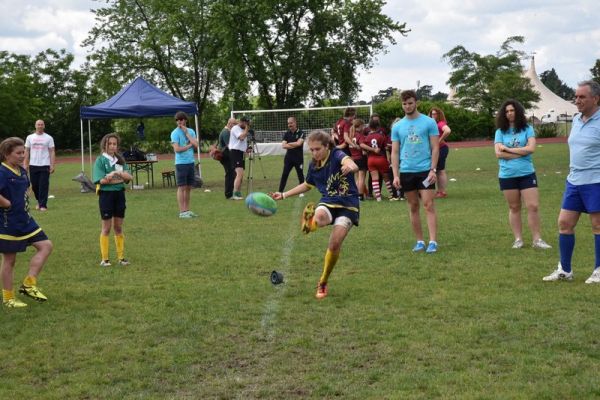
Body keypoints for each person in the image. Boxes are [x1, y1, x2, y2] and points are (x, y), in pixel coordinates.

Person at [271, 130, 359, 299]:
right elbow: (307, 184)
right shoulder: (314, 165)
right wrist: (283, 195)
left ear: (327, 146)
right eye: (311, 150)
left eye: (317, 149)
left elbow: (351, 163)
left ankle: (323, 281)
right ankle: (310, 224)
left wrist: (351, 166)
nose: (314, 153)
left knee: (334, 244)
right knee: (318, 216)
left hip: (348, 204)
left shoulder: (337, 154)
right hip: (328, 201)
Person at [543, 80, 600, 283]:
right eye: (576, 97)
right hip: (574, 181)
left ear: (596, 98)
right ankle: (565, 270)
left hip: (596, 181)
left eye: (582, 97)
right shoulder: (576, 120)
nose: (577, 100)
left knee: (598, 225)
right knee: (564, 223)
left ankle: (599, 270)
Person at [0, 137, 53, 308]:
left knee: (46, 246)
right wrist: (6, 203)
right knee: (9, 260)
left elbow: (26, 187)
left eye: (23, 152)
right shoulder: (2, 171)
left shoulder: (22, 170)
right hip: (9, 223)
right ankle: (8, 298)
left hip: (26, 220)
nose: (23, 156)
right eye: (18, 153)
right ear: (6, 154)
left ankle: (29, 285)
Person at [494, 99, 552, 250]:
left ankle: (537, 240)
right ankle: (518, 239)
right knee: (514, 207)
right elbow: (499, 155)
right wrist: (521, 151)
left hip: (526, 173)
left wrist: (508, 149)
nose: (509, 113)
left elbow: (531, 149)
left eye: (512, 110)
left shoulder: (527, 129)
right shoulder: (500, 132)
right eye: (506, 111)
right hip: (507, 175)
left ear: (518, 111)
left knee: (533, 206)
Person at [391, 90, 440, 253]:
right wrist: (395, 175)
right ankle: (420, 241)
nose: (407, 106)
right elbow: (395, 152)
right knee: (413, 206)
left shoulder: (429, 122)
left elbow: (435, 147)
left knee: (428, 204)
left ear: (416, 103)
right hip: (406, 171)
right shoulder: (397, 127)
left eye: (410, 103)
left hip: (425, 170)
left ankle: (433, 241)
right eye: (404, 103)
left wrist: (433, 169)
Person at [92, 133, 133, 267]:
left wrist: (117, 174)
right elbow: (101, 180)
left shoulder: (120, 160)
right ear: (105, 145)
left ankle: (121, 258)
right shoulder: (100, 160)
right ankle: (105, 259)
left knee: (118, 227)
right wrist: (118, 178)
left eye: (115, 144)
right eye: (110, 143)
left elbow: (129, 177)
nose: (112, 146)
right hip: (106, 196)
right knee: (106, 228)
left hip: (119, 195)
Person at [170, 111, 199, 218]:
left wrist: (187, 133)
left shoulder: (191, 131)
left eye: (181, 119)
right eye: (177, 120)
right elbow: (177, 149)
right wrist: (188, 146)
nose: (179, 122)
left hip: (190, 162)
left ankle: (187, 210)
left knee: (188, 188)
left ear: (185, 120)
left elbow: (196, 145)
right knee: (181, 187)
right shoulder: (174, 133)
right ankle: (182, 212)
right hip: (181, 163)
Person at [24, 119, 55, 211]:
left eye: (42, 124)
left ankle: (43, 205)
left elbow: (52, 151)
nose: (40, 126)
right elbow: (26, 151)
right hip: (33, 165)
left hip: (45, 164)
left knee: (43, 185)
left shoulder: (49, 138)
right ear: (35, 126)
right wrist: (25, 163)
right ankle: (39, 201)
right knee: (35, 185)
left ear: (44, 126)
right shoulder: (30, 137)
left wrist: (52, 165)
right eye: (38, 124)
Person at [361, 119, 395, 202]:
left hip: (371, 159)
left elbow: (363, 148)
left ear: (370, 127)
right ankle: (392, 194)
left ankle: (378, 197)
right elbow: (385, 147)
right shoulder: (381, 136)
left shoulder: (367, 137)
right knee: (386, 178)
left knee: (374, 178)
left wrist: (370, 150)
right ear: (378, 127)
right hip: (381, 158)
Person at [278, 116, 306, 195]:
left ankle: (301, 192)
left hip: (298, 158)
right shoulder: (287, 133)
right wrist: (295, 144)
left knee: (300, 175)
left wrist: (289, 144)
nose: (289, 125)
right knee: (284, 174)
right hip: (288, 158)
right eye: (288, 123)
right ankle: (280, 191)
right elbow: (283, 146)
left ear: (295, 123)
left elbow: (299, 143)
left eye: (291, 123)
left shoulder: (301, 132)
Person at [429, 107, 452, 198]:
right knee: (437, 170)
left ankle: (441, 191)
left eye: (435, 114)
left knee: (440, 170)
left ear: (439, 115)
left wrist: (439, 141)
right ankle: (438, 191)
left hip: (441, 149)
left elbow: (448, 130)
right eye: (431, 114)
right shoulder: (432, 124)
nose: (433, 116)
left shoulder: (440, 123)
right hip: (437, 149)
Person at [228, 116, 251, 200]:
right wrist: (247, 128)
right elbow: (241, 137)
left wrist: (246, 149)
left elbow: (243, 142)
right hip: (235, 152)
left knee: (241, 174)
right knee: (239, 173)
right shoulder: (235, 128)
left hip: (240, 152)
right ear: (241, 122)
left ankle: (238, 192)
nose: (246, 125)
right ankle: (235, 193)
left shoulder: (243, 129)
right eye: (245, 123)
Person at [345, 118, 368, 200]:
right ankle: (360, 195)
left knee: (357, 178)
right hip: (360, 158)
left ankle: (355, 194)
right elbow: (362, 145)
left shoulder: (351, 135)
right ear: (361, 126)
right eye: (364, 125)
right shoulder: (359, 135)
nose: (364, 127)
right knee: (362, 178)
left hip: (353, 158)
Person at [218, 118, 236, 199]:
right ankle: (229, 194)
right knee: (230, 174)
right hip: (226, 156)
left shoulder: (227, 131)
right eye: (234, 124)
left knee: (232, 174)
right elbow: (229, 146)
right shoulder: (226, 132)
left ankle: (231, 192)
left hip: (227, 156)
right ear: (230, 124)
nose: (235, 126)